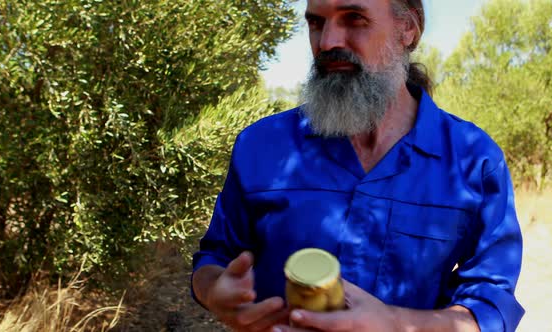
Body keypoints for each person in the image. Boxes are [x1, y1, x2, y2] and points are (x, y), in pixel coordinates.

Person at [191, 0, 525, 331]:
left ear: (407, 28)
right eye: (316, 23)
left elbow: (490, 304)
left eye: (354, 18)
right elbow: (214, 258)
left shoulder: (473, 161)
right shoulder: (260, 146)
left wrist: (394, 324)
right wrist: (213, 291)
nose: (327, 42)